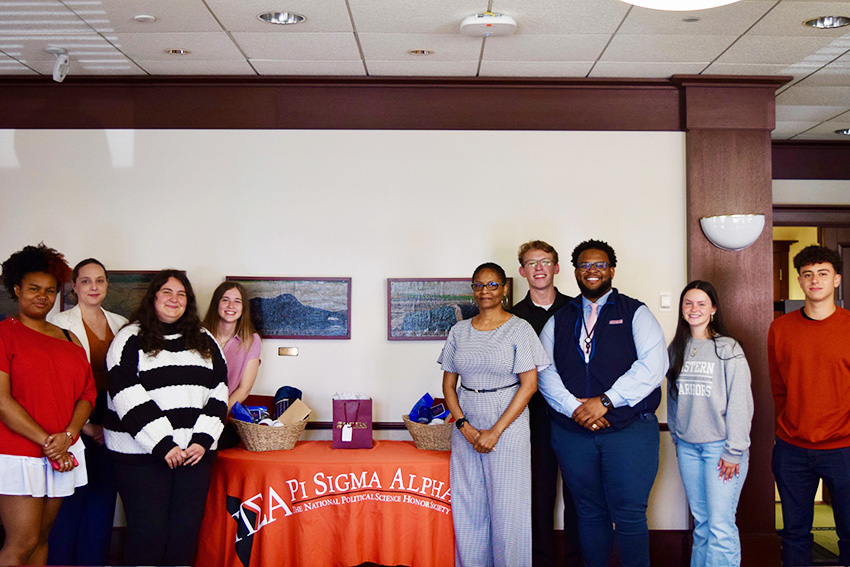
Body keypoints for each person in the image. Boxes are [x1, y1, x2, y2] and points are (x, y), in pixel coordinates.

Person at [537, 239, 667, 567]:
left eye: (599, 265)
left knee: (629, 513)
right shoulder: (559, 319)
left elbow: (653, 367)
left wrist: (605, 401)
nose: (592, 271)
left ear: (611, 270)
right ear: (575, 272)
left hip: (630, 431)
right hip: (573, 433)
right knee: (589, 512)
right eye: (585, 265)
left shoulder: (635, 312)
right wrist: (575, 409)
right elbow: (544, 371)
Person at [103, 269, 228, 566]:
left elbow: (219, 391)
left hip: (194, 454)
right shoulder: (129, 338)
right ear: (153, 298)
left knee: (185, 532)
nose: (175, 299)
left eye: (181, 294)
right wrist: (163, 444)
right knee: (149, 533)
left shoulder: (205, 339)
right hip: (142, 455)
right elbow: (126, 393)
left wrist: (202, 440)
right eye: (167, 292)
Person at [439, 262, 549, 567]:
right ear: (472, 290)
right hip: (467, 423)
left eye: (492, 285)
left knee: (508, 509)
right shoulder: (459, 331)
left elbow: (529, 385)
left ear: (504, 289)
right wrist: (463, 425)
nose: (484, 291)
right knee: (469, 506)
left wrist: (495, 431)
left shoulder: (519, 328)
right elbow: (448, 385)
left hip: (508, 424)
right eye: (478, 285)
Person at [0, 244, 96, 566]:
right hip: (19, 453)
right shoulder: (3, 335)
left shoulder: (70, 339)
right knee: (21, 543)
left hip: (62, 450)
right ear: (17, 289)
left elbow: (87, 395)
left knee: (42, 539)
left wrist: (67, 436)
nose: (42, 296)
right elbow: (2, 402)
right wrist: (50, 443)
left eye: (50, 290)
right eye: (34, 288)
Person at [769, 244, 850, 566]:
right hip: (792, 449)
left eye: (823, 273)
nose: (815, 280)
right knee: (794, 534)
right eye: (808, 274)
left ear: (837, 280)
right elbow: (778, 388)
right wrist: (787, 428)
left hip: (844, 448)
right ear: (800, 281)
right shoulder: (780, 328)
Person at [46, 258, 128, 566]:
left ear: (107, 284)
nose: (94, 287)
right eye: (86, 281)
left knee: (103, 497)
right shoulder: (57, 324)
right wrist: (84, 426)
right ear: (74, 287)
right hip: (69, 417)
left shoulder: (122, 324)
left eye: (100, 280)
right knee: (69, 497)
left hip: (113, 419)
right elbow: (52, 382)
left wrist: (110, 426)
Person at [666, 280, 753, 567]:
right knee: (702, 524)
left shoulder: (728, 348)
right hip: (688, 447)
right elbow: (674, 398)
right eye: (688, 303)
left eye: (701, 303)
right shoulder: (677, 348)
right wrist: (677, 436)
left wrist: (734, 450)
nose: (694, 309)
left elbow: (740, 401)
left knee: (720, 525)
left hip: (721, 449)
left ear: (713, 309)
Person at [509, 240, 580, 567]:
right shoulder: (512, 318)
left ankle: (578, 560)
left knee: (580, 496)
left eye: (546, 261)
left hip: (575, 418)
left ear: (557, 267)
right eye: (532, 263)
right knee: (539, 498)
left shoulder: (577, 310)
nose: (539, 268)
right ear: (522, 271)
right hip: (532, 420)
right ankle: (541, 561)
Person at [202, 281, 261, 410]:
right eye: (225, 300)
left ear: (243, 308)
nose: (231, 306)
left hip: (223, 411)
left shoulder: (252, 341)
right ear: (216, 304)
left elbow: (244, 389)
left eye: (237, 301)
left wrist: (219, 413)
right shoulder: (198, 335)